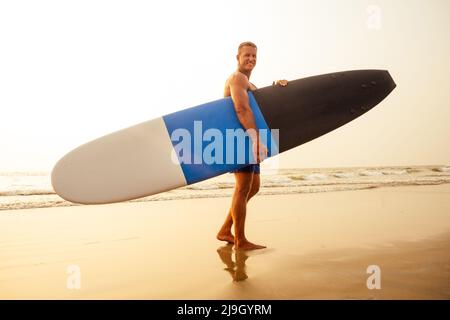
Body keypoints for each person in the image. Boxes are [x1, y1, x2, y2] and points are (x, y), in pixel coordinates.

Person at [216, 41, 288, 250]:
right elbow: (242, 109)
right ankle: (240, 240)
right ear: (237, 57)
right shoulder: (237, 79)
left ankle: (224, 231)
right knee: (243, 188)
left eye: (254, 56)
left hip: (249, 138)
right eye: (247, 55)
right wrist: (256, 141)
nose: (251, 59)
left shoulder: (249, 84)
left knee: (253, 186)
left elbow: (258, 105)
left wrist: (278, 88)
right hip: (240, 138)